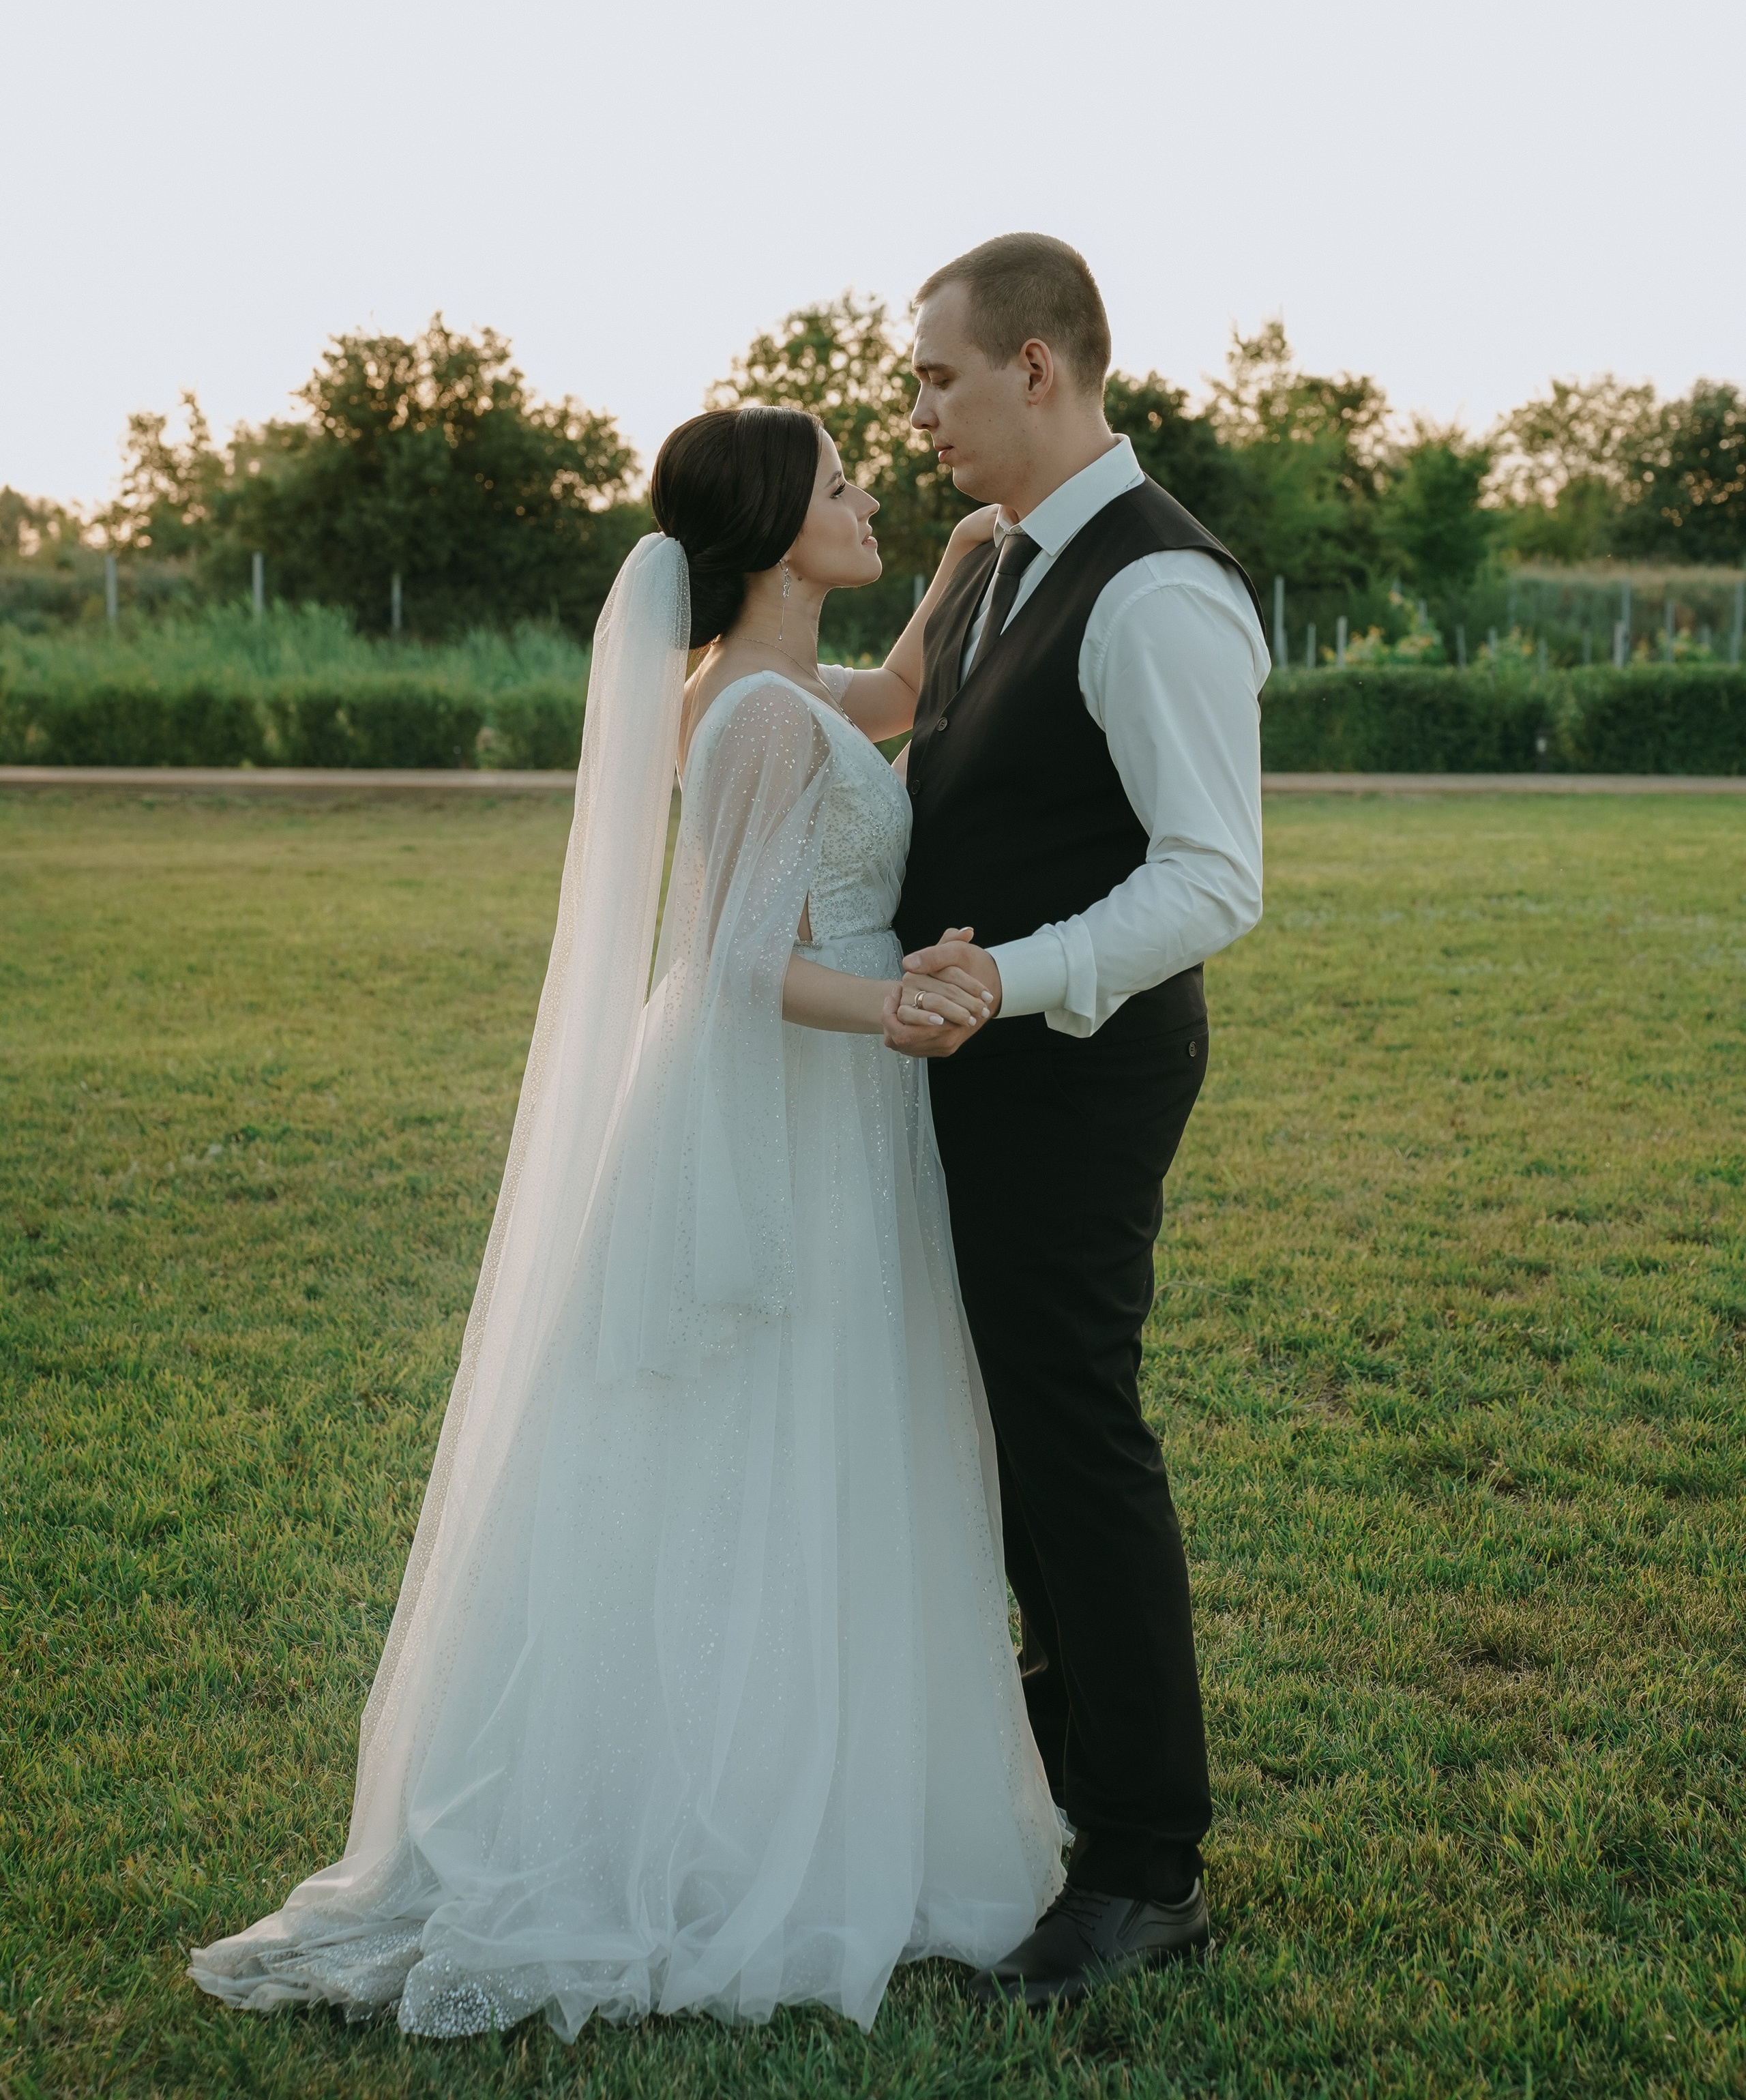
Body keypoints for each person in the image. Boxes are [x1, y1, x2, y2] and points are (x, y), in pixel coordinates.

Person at [190, 402, 1063, 2041]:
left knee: (812, 1440)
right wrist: (900, 1012)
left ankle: (812, 1776)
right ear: (768, 525)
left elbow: (888, 701)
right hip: (800, 1103)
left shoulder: (771, 692)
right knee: (770, 1447)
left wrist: (947, 572)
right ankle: (716, 1821)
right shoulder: (742, 721)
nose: (869, 489)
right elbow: (739, 968)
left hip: (829, 1101)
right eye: (840, 483)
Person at [886, 233, 1268, 2008]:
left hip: (1079, 1074)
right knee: (1006, 1441)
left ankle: (1145, 1861)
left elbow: (1210, 879)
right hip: (977, 1066)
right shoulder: (993, 568)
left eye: (941, 378)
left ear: (1041, 367)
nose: (921, 415)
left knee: (1072, 1434)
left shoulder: (1158, 590)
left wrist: (1009, 980)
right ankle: (1050, 1777)